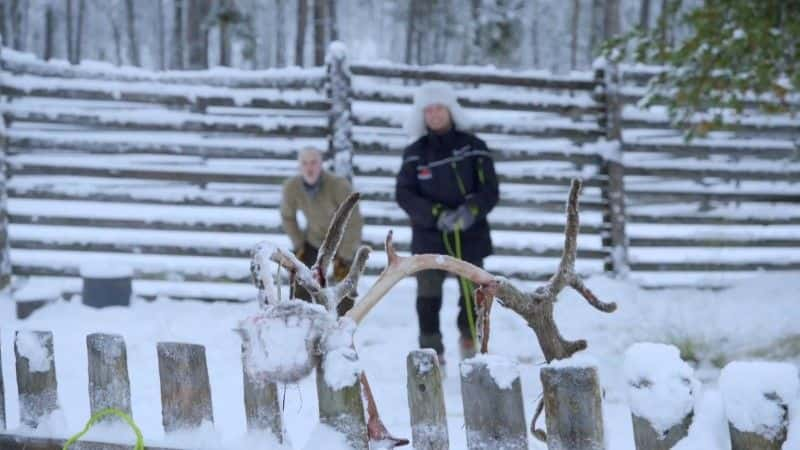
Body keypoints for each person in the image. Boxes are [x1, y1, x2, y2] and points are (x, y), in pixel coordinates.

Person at [395, 83, 499, 362]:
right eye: (428, 110)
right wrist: (435, 214)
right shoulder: (415, 153)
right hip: (429, 237)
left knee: (472, 292)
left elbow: (490, 190)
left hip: (470, 235)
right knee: (428, 296)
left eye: (439, 108)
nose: (434, 114)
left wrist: (470, 211)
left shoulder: (475, 147)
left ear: (450, 110)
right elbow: (404, 194)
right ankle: (432, 351)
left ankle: (470, 341)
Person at [280, 147, 364, 315]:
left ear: (321, 164)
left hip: (342, 241)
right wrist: (298, 244)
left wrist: (345, 255)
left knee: (345, 283)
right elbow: (287, 216)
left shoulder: (338, 185)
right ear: (299, 166)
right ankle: (301, 316)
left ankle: (343, 321)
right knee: (300, 277)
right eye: (305, 163)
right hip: (314, 239)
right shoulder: (292, 187)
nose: (309, 168)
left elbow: (354, 221)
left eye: (313, 163)